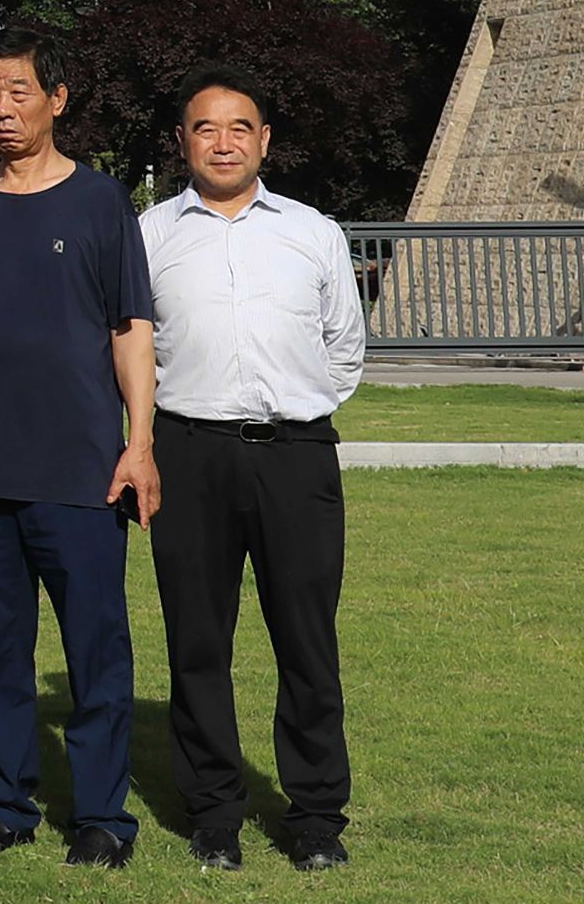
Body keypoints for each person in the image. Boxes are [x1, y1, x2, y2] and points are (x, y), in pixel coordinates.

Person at [0, 21, 161, 867]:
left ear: (57, 99)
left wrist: (140, 443)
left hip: (83, 469)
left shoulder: (101, 203)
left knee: (95, 648)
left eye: (18, 90)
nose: (1, 107)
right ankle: (4, 805)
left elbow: (130, 329)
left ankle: (102, 817)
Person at [140, 65, 366, 874]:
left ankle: (316, 817)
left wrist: (291, 408)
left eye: (240, 128)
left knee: (307, 641)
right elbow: (128, 346)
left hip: (296, 457)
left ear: (264, 140)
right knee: (197, 641)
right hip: (188, 454)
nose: (224, 142)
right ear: (182, 142)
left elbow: (343, 347)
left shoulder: (313, 232)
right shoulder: (150, 235)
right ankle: (214, 814)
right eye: (206, 128)